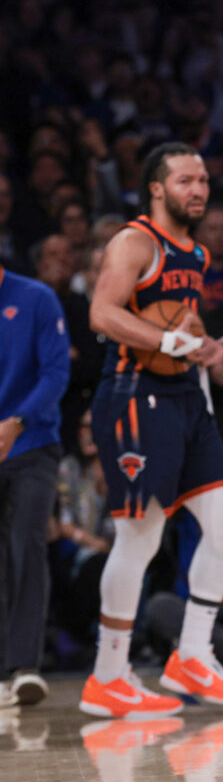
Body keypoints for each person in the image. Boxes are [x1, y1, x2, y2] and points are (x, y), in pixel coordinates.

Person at [82, 143, 223, 718]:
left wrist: (204, 347)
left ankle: (193, 656)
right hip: (135, 395)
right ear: (157, 188)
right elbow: (103, 313)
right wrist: (167, 342)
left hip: (184, 393)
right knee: (141, 537)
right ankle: (107, 675)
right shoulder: (136, 241)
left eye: (203, 180)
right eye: (185, 181)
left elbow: (180, 321)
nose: (198, 190)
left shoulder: (197, 254)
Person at [0, 260, 70, 707]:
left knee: (26, 543)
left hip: (33, 443)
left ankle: (24, 667)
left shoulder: (36, 297)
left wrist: (17, 422)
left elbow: (56, 373)